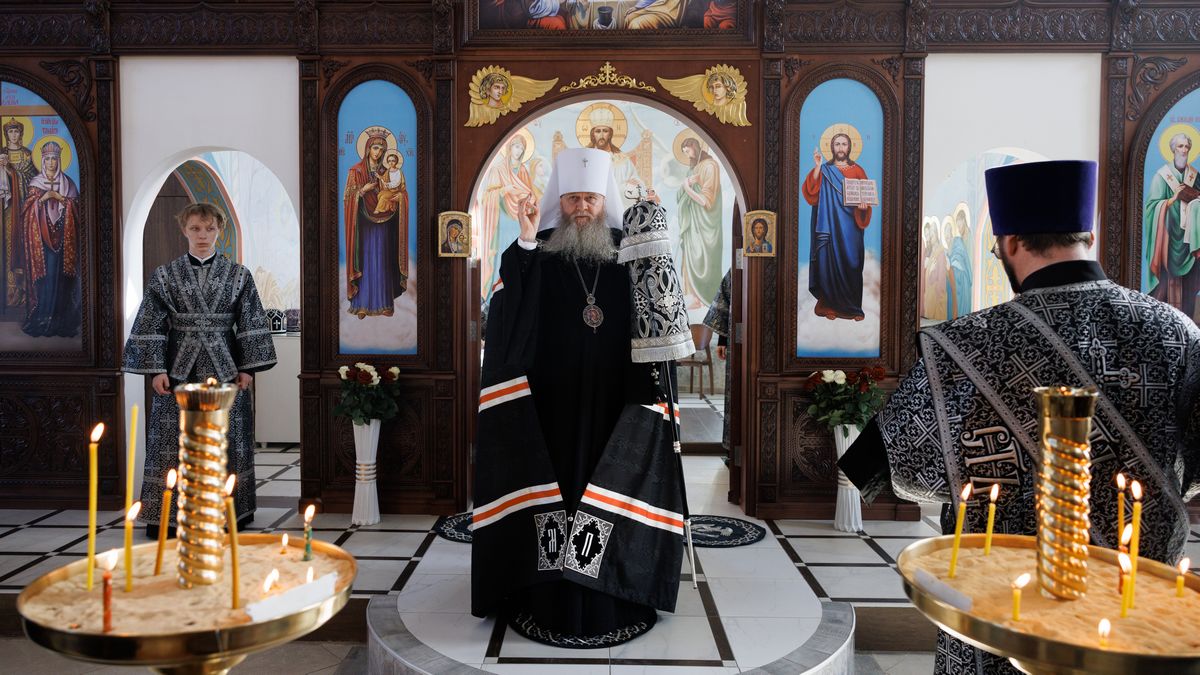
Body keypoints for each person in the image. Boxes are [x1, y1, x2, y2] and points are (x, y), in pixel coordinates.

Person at [837, 160, 1200, 675]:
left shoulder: (966, 343)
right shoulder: (1178, 331)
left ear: (1009, 243)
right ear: (1088, 236)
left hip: (1005, 608)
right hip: (1131, 609)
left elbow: (884, 466)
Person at [472, 148, 682, 648]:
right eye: (572, 199)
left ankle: (615, 591)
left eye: (590, 198)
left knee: (609, 486)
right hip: (552, 402)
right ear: (559, 202)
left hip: (617, 397)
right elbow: (506, 307)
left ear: (604, 200)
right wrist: (524, 238)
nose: (582, 208)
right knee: (558, 488)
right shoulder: (539, 251)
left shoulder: (627, 249)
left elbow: (661, 304)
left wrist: (653, 227)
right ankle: (548, 592)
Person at [123, 202, 277, 537]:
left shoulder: (239, 275)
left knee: (228, 438)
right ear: (184, 230)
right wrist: (156, 370)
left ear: (219, 230)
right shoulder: (165, 275)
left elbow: (250, 320)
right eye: (195, 228)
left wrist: (248, 369)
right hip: (177, 372)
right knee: (173, 439)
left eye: (209, 229)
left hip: (226, 370)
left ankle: (230, 512)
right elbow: (151, 322)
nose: (202, 235)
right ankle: (168, 515)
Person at [803, 132, 872, 321]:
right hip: (829, 225)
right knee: (828, 262)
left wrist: (863, 207)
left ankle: (854, 308)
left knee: (853, 263)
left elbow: (867, 197)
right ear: (832, 148)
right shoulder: (825, 170)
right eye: (837, 144)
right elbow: (811, 192)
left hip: (851, 228)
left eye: (844, 144)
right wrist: (818, 166)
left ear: (850, 147)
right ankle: (829, 305)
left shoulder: (858, 171)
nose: (841, 148)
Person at [344, 128, 407, 319]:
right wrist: (363, 190)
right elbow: (348, 199)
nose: (378, 152)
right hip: (363, 225)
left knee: (383, 260)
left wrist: (399, 198)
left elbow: (401, 192)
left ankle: (384, 303)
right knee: (365, 261)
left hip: (384, 224)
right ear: (367, 149)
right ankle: (362, 305)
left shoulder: (387, 172)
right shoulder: (356, 171)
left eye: (381, 149)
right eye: (375, 148)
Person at [20, 141, 81, 337]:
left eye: (55, 158)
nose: (51, 162)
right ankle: (42, 318)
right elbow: (27, 211)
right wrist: (44, 198)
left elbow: (77, 208)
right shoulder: (35, 183)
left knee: (62, 279)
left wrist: (61, 198)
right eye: (48, 159)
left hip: (64, 239)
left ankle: (60, 321)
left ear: (59, 160)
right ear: (43, 161)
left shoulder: (68, 184)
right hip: (42, 241)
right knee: (46, 278)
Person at [1144, 130, 1200, 322]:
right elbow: (1151, 207)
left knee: (1190, 285)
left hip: (1190, 240)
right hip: (1168, 238)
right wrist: (1173, 199)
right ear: (1173, 149)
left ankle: (1188, 325)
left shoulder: (1195, 176)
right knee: (1167, 286)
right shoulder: (1161, 176)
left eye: (1187, 147)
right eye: (1180, 146)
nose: (1184, 150)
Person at [676, 137, 722, 307]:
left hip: (705, 225)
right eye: (684, 153)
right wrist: (686, 185)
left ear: (695, 147)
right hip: (692, 223)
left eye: (688, 151)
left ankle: (704, 297)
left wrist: (687, 187)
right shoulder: (693, 169)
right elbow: (680, 196)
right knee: (690, 256)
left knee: (702, 258)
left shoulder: (710, 166)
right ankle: (694, 298)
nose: (688, 155)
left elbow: (705, 201)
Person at [702, 269, 732, 455]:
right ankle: (734, 448)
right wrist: (723, 340)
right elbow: (726, 299)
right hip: (741, 342)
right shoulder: (740, 263)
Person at [373, 151, 405, 215]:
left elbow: (397, 182)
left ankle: (378, 209)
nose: (391, 162)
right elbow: (384, 179)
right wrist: (379, 177)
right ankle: (388, 206)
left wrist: (388, 184)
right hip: (388, 189)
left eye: (393, 161)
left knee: (383, 197)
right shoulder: (388, 171)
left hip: (395, 190)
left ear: (396, 162)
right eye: (389, 161)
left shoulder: (398, 171)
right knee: (379, 195)